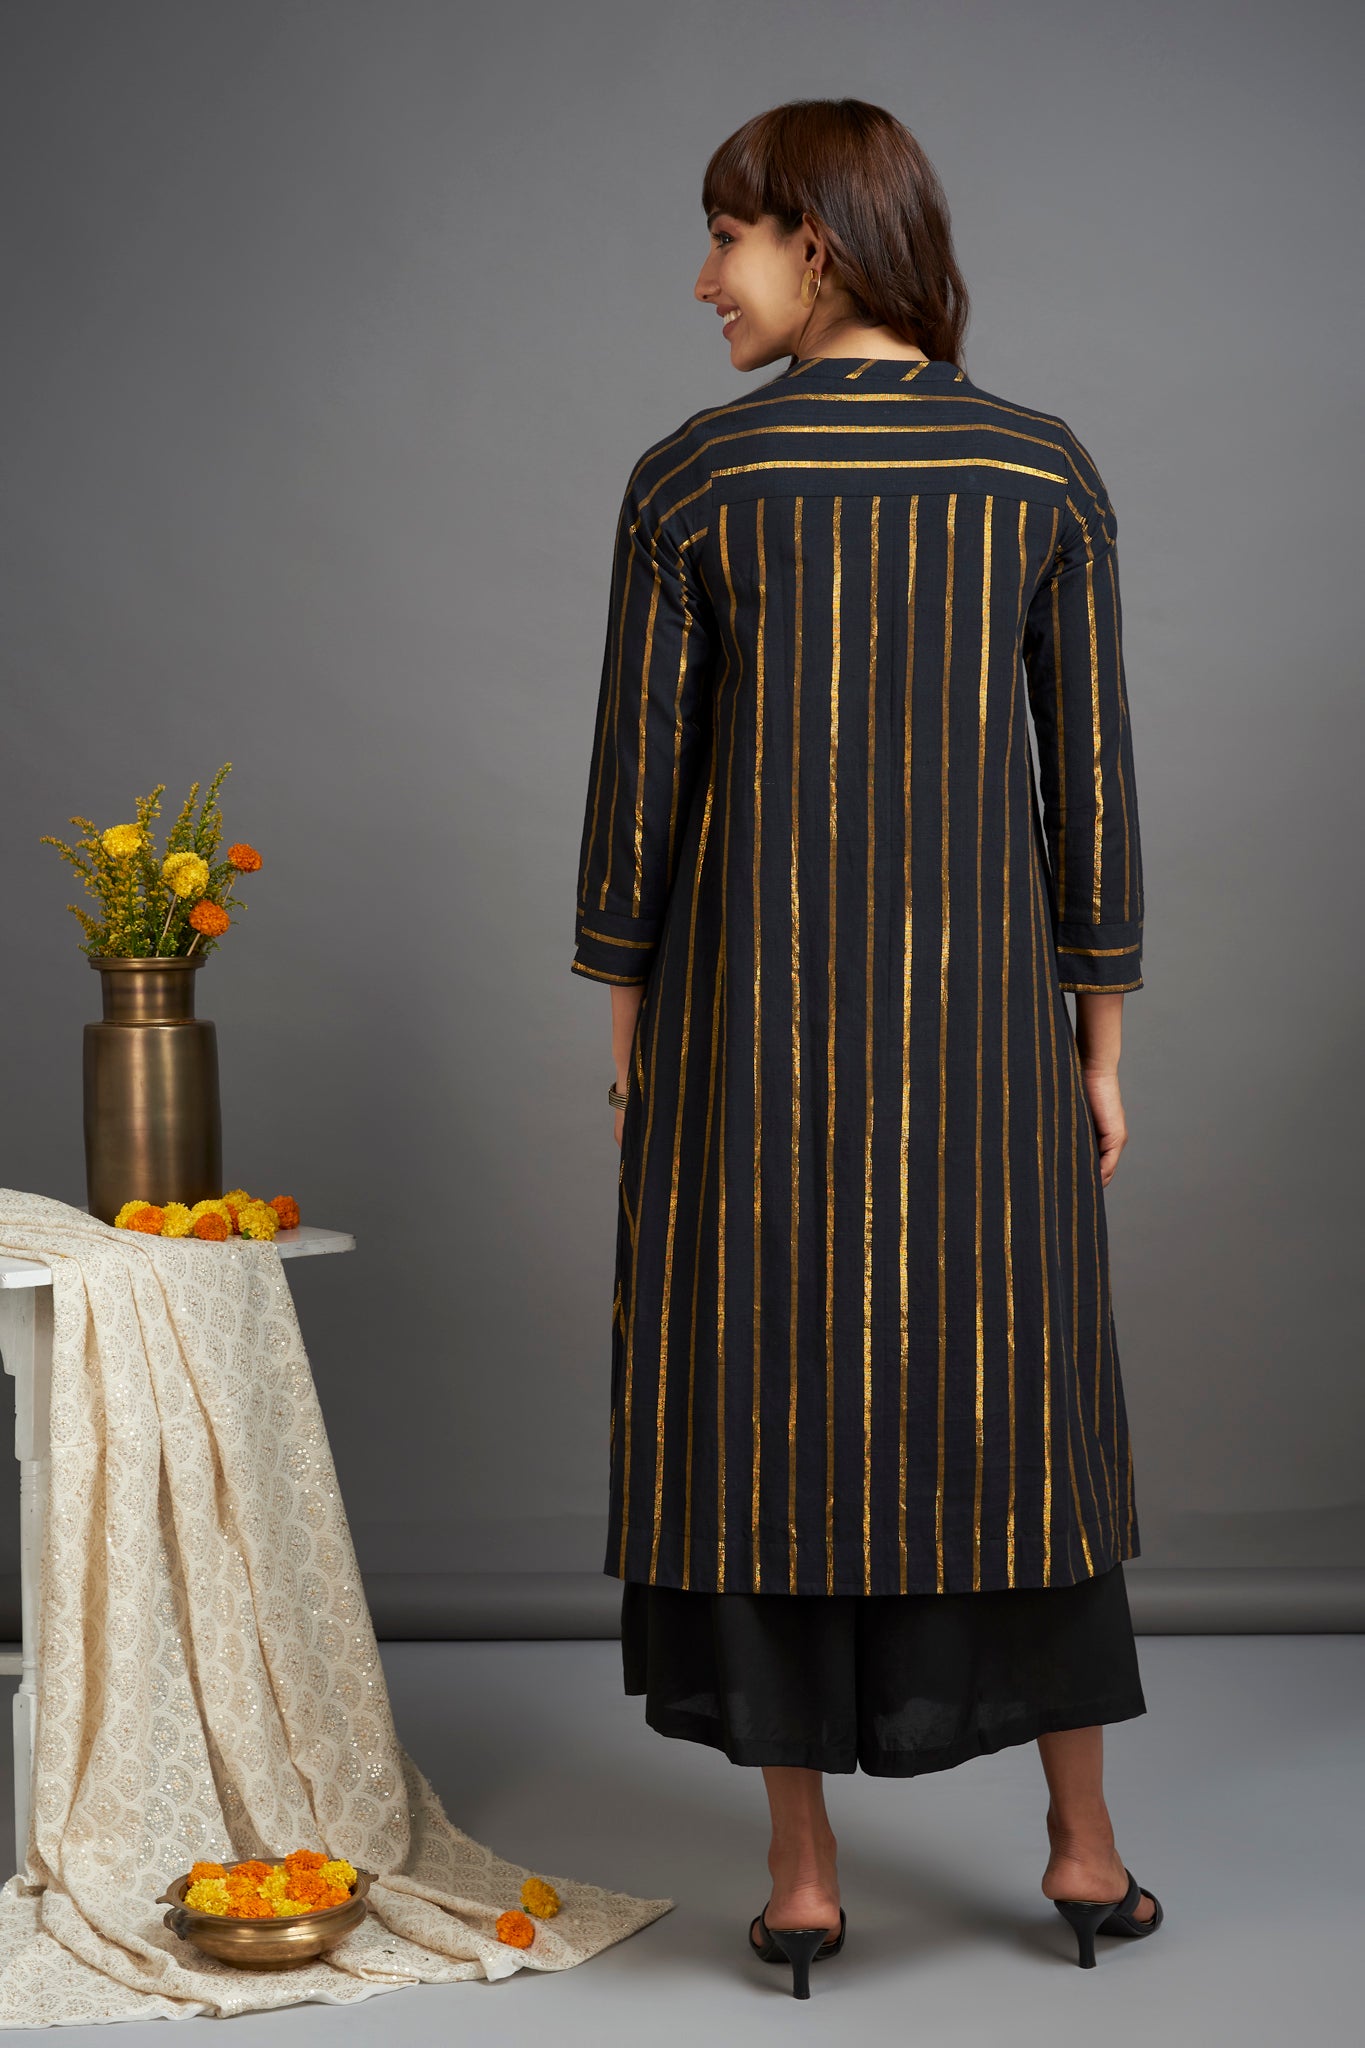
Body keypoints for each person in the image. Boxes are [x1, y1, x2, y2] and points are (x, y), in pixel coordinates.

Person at [571, 97, 1163, 1994]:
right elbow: (1091, 790)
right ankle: (1082, 1849)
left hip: (741, 1040)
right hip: (982, 1044)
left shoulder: (694, 480)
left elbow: (635, 807)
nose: (703, 277)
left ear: (813, 241)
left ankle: (804, 1874)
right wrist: (1097, 1049)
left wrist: (632, 1050)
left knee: (761, 1415)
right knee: (1018, 1405)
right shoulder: (1036, 471)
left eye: (724, 235)